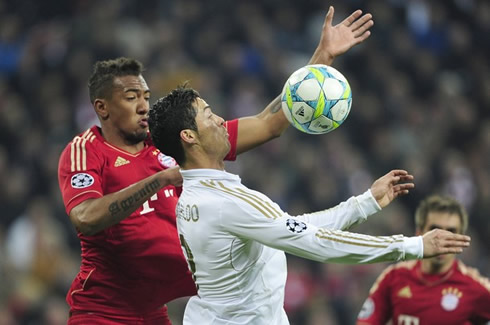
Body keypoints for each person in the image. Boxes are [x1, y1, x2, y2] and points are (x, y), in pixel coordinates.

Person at [57, 6, 376, 324]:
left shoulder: (176, 140)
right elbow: (85, 217)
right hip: (102, 312)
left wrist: (320, 63)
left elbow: (269, 124)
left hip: (156, 312)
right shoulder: (87, 152)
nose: (143, 105)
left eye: (145, 95)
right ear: (102, 108)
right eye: (130, 97)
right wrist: (159, 180)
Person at [147, 86, 471, 325]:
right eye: (209, 115)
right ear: (189, 136)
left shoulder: (200, 195)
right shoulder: (225, 203)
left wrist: (365, 204)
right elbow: (313, 242)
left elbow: (292, 228)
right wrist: (411, 246)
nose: (220, 119)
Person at [356, 195, 490, 325]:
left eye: (451, 231)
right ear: (419, 233)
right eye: (435, 230)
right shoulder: (393, 278)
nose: (442, 238)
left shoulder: (476, 288)